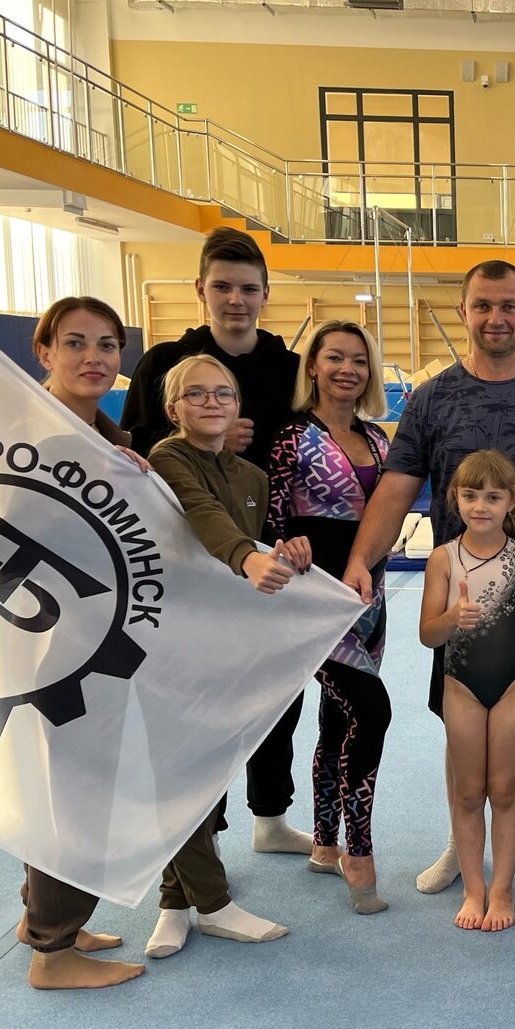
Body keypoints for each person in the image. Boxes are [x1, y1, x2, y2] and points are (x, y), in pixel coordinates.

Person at [341, 260, 515, 898]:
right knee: (461, 720)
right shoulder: (433, 398)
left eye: (509, 306)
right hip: (462, 596)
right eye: (483, 306)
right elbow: (395, 489)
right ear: (464, 312)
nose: (496, 318)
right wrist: (360, 561)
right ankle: (461, 843)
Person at [121, 226, 309, 854]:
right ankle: (203, 834)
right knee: (200, 706)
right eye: (223, 287)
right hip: (186, 563)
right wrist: (205, 442)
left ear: (265, 294)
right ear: (200, 289)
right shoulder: (161, 364)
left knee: (276, 693)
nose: (236, 300)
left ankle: (271, 815)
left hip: (267, 544)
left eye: (248, 288)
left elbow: (305, 449)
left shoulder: (289, 369)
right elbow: (134, 455)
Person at [144, 355, 303, 958]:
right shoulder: (166, 459)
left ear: (239, 407)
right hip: (169, 639)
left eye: (223, 394)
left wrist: (282, 552)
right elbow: (201, 514)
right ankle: (211, 904)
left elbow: (251, 541)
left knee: (205, 773)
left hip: (225, 644)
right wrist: (247, 556)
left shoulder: (253, 478)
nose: (211, 403)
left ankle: (173, 901)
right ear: (172, 408)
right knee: (181, 773)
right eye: (196, 394)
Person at [17, 296, 149, 989]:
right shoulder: (34, 441)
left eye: (106, 345)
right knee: (81, 790)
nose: (93, 358)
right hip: (61, 641)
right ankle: (54, 950)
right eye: (75, 343)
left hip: (95, 636)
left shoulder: (109, 438)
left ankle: (38, 917)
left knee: (70, 783)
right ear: (44, 352)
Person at [264, 320, 394, 915]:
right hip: (312, 597)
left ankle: (323, 841)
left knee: (338, 719)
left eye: (359, 360)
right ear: (312, 365)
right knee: (371, 710)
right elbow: (270, 519)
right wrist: (285, 544)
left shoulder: (378, 438)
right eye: (335, 357)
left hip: (368, 594)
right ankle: (358, 852)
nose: (348, 369)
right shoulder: (292, 437)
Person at [419, 451, 515, 932]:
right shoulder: (442, 559)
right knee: (468, 792)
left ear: (512, 502)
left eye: (493, 497)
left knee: (504, 789)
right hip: (460, 686)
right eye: (470, 495)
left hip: (514, 684)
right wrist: (451, 618)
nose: (480, 506)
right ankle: (473, 888)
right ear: (454, 499)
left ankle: (501, 889)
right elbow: (428, 635)